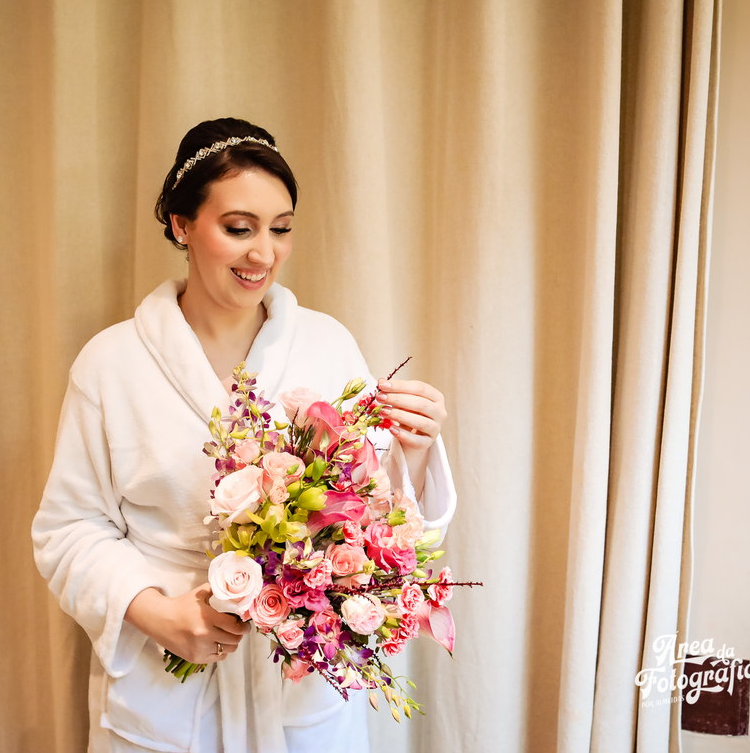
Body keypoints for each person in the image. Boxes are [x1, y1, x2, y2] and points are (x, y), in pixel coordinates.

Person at [32, 118, 457, 753]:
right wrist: (156, 614)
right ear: (181, 226)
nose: (263, 253)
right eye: (239, 228)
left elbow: (379, 529)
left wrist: (413, 455)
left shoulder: (327, 345)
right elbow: (66, 530)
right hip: (169, 695)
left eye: (280, 229)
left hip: (301, 691)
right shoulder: (110, 364)